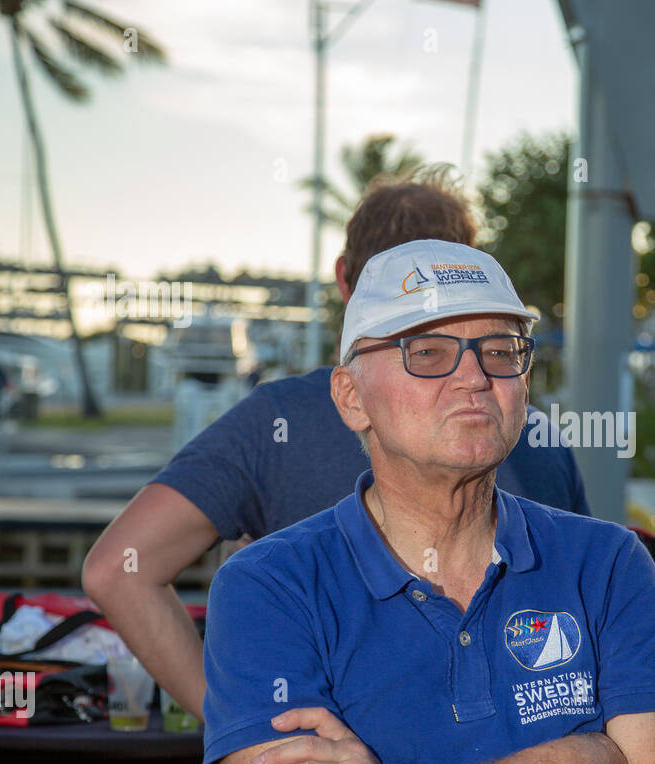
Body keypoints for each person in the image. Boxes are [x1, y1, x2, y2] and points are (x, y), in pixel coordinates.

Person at [201, 239, 655, 764]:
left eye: (500, 352)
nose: (474, 377)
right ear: (350, 397)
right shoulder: (269, 586)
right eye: (429, 353)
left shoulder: (606, 564)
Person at [82, 168, 588, 721]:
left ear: (344, 278)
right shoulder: (528, 427)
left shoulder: (279, 420)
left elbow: (118, 569)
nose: (463, 380)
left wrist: (243, 723)